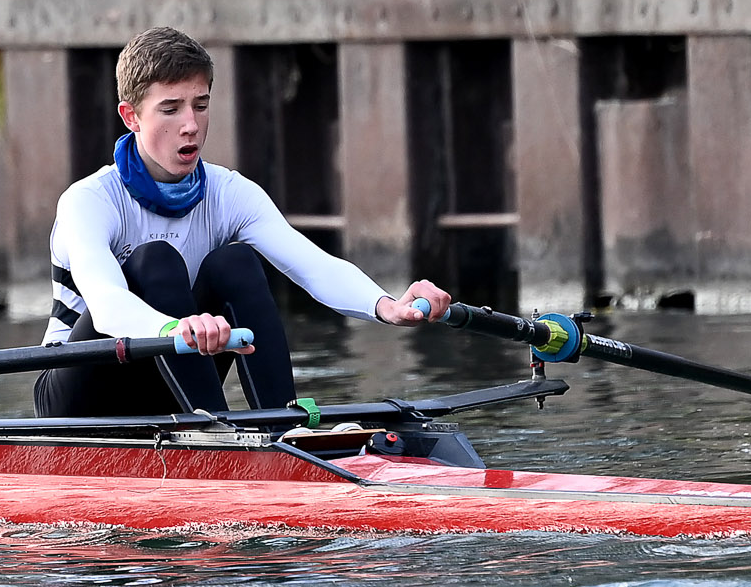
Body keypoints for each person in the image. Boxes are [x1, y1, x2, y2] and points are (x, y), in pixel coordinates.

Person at [35, 26, 454, 418]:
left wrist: (387, 306)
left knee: (235, 263)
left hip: (170, 375)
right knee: (155, 261)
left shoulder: (229, 192)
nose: (190, 125)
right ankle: (217, 432)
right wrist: (174, 327)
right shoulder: (89, 200)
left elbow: (312, 265)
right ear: (131, 117)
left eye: (201, 105)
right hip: (78, 391)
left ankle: (278, 427)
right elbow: (107, 304)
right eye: (171, 109)